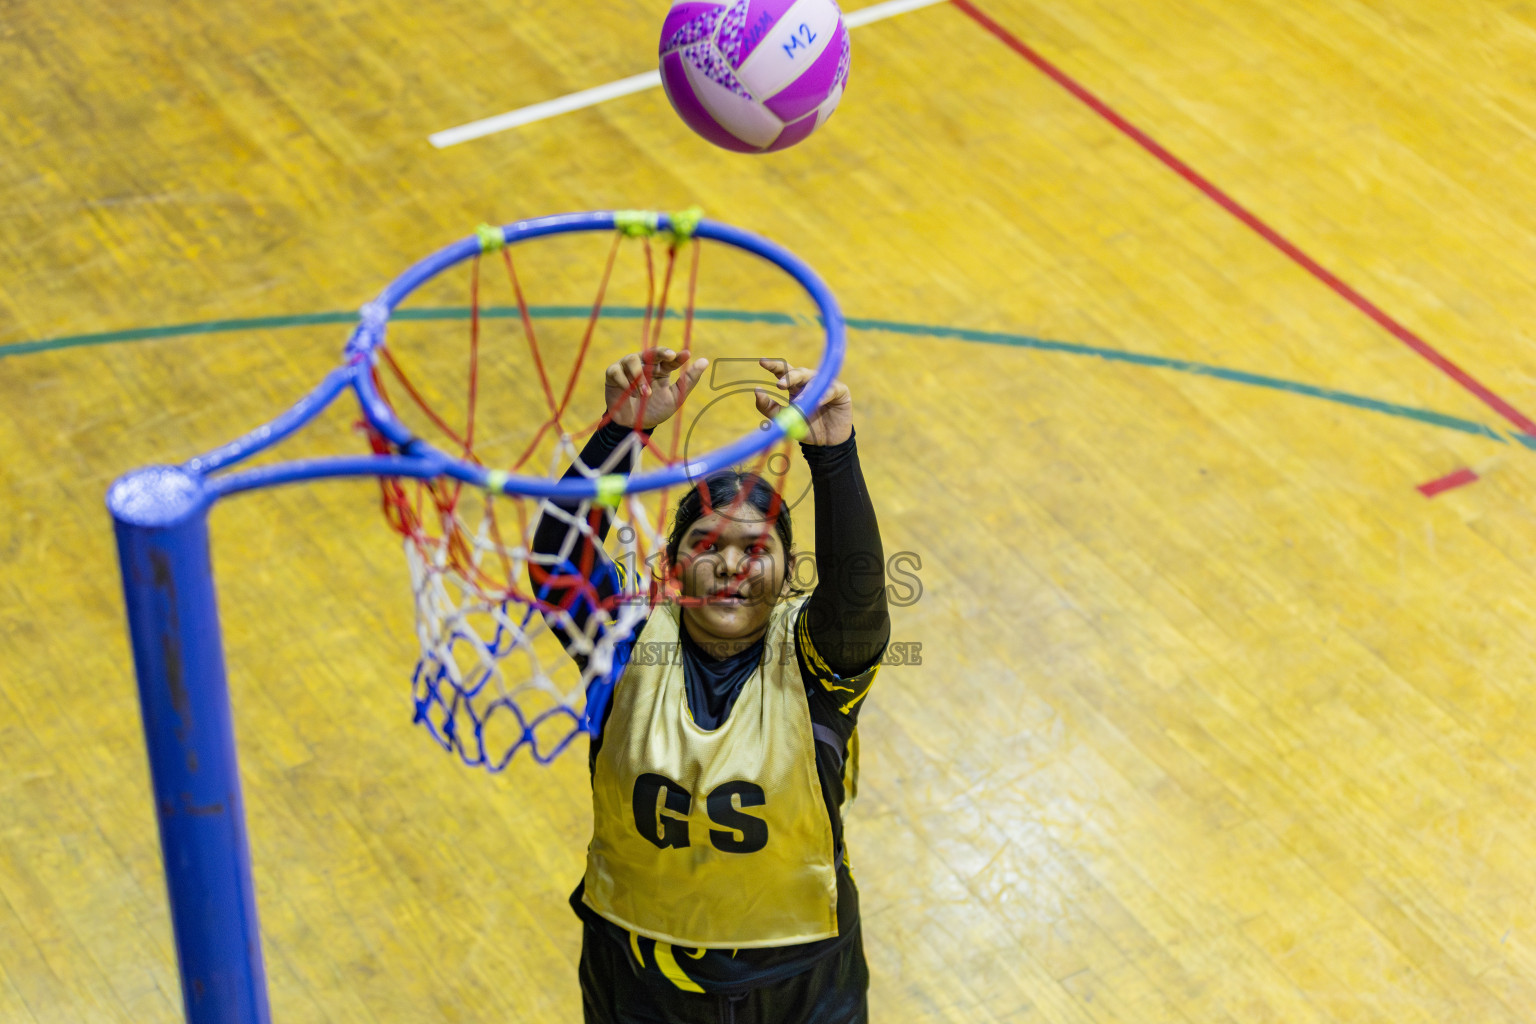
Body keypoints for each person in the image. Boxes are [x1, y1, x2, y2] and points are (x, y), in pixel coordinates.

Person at [532, 346, 890, 1024]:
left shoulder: (818, 661)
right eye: (705, 545)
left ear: (787, 573)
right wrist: (620, 433)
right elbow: (557, 561)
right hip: (640, 974)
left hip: (801, 981)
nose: (731, 565)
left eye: (755, 549)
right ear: (670, 568)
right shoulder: (627, 645)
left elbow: (859, 594)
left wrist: (833, 455)